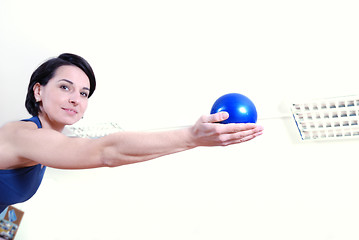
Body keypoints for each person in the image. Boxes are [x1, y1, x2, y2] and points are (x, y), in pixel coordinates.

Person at [0, 53, 264, 214]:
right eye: (65, 87)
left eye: (83, 93)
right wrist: (193, 138)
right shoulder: (24, 135)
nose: (75, 99)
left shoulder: (47, 142)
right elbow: (106, 151)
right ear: (38, 91)